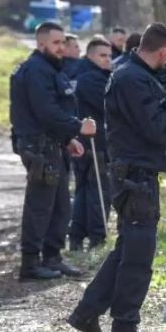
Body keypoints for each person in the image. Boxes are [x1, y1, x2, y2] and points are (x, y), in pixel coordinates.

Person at [67, 22, 166, 332]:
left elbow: (153, 131)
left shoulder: (141, 75)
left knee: (127, 250)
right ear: (163, 51)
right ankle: (124, 330)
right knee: (138, 256)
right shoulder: (130, 79)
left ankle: (86, 312)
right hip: (134, 179)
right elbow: (157, 128)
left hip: (141, 174)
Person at [9, 22, 96, 280]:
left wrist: (68, 138)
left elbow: (54, 110)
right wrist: (78, 126)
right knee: (40, 205)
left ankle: (52, 257)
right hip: (39, 148)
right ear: (41, 43)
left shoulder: (49, 68)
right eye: (56, 43)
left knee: (59, 205)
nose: (62, 48)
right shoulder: (36, 70)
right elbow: (46, 112)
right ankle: (30, 264)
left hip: (52, 145)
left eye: (63, 43)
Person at [68, 39, 113, 251]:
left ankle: (76, 237)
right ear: (91, 56)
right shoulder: (93, 78)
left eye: (110, 56)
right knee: (98, 192)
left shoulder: (76, 74)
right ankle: (96, 238)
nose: (108, 60)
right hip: (95, 144)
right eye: (103, 56)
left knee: (83, 191)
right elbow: (109, 107)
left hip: (80, 141)